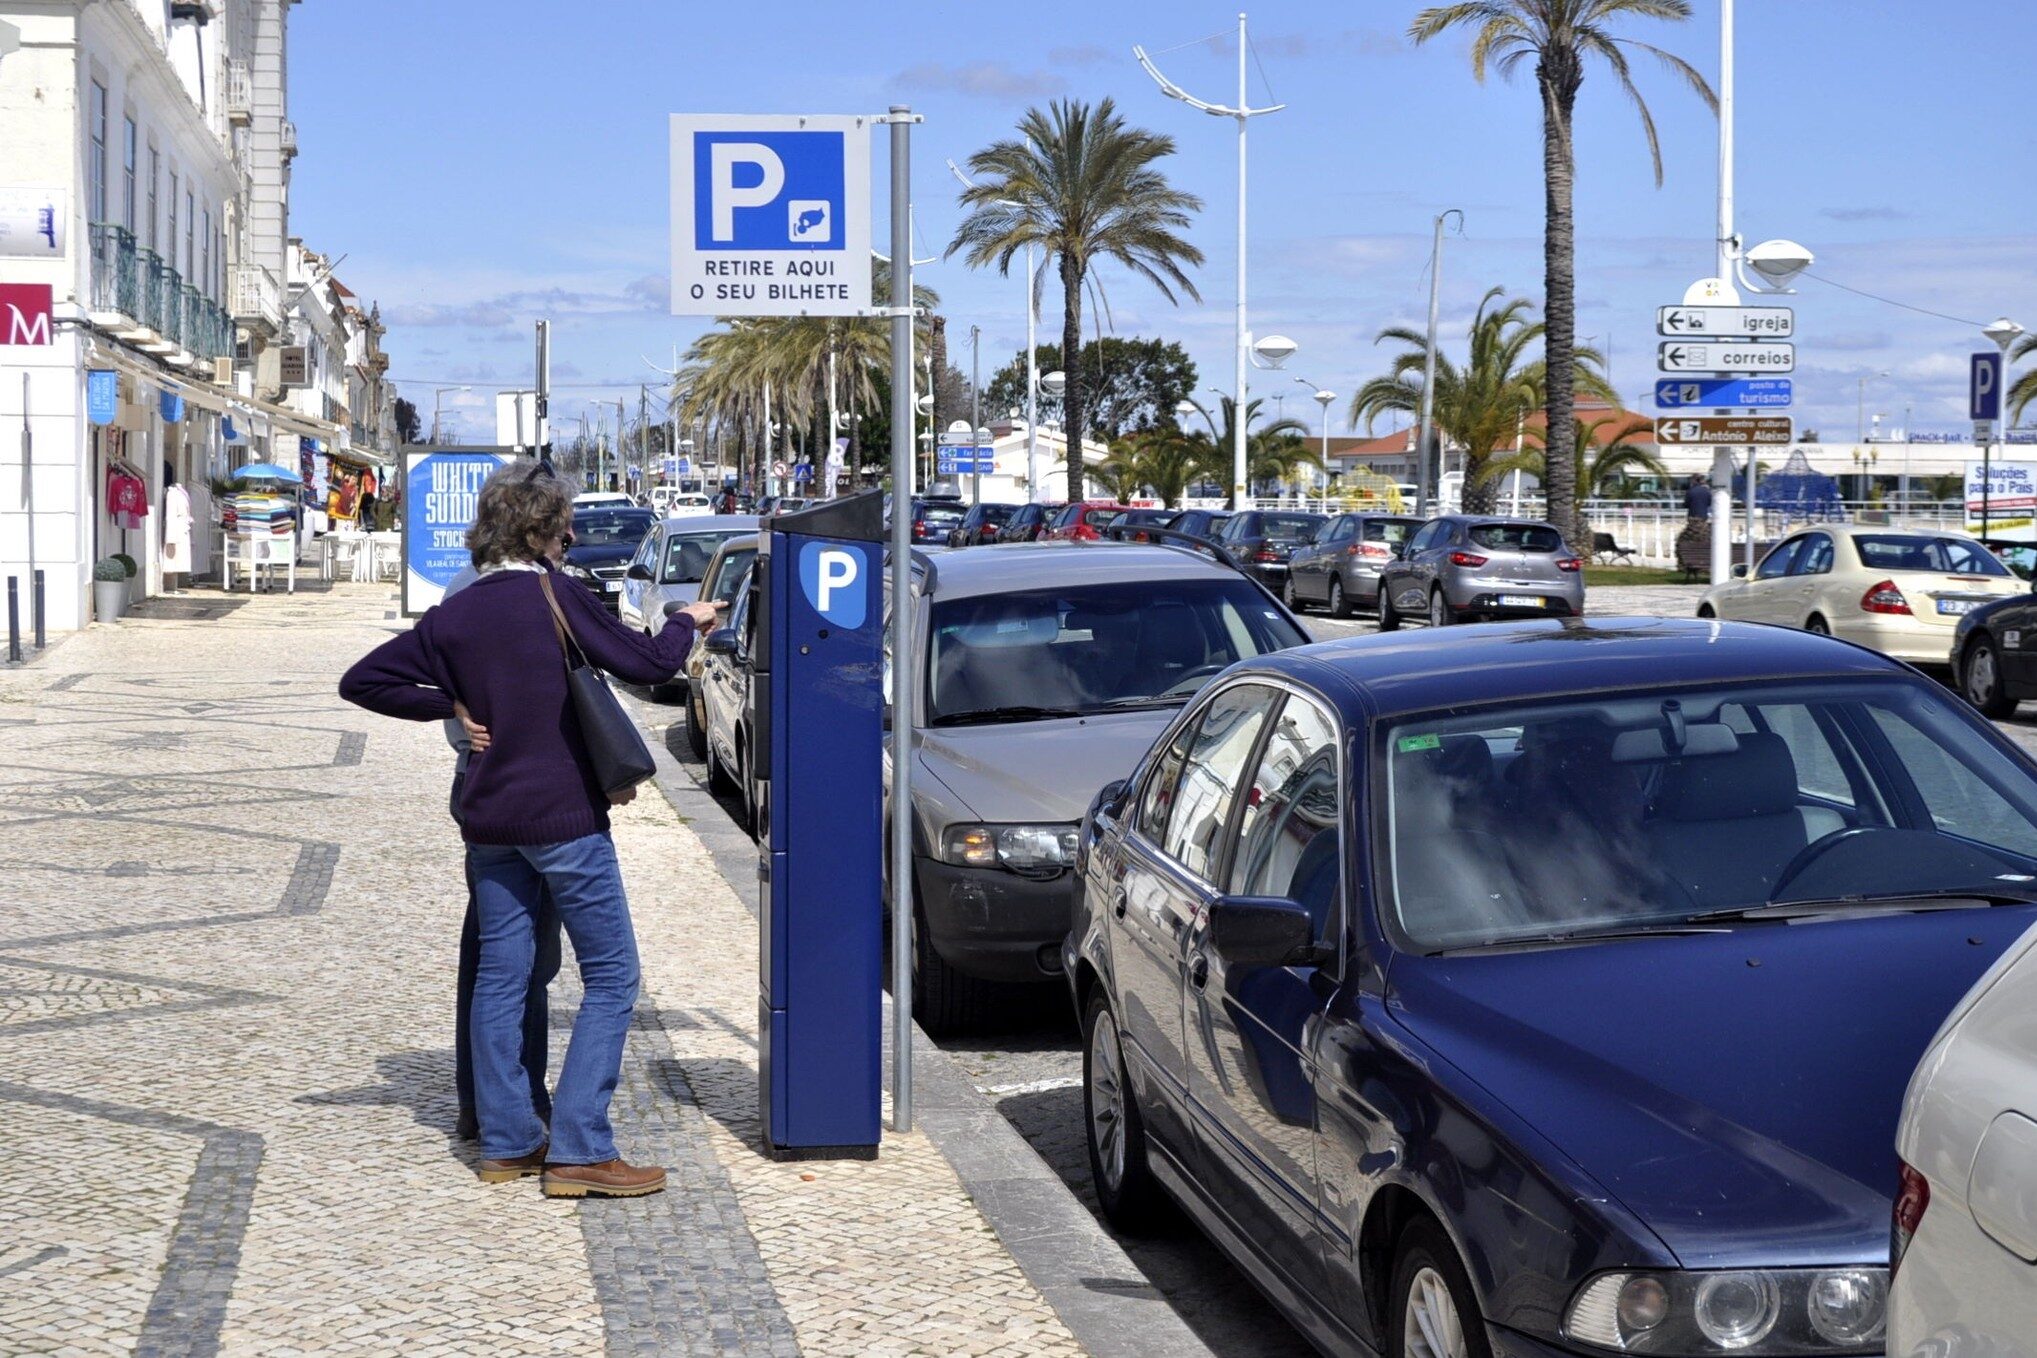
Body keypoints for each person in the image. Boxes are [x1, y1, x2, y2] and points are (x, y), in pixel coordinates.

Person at [340, 461, 719, 1198]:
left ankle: (510, 1142)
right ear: (544, 531)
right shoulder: (556, 594)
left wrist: (445, 706)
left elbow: (363, 680)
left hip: (489, 823)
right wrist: (686, 621)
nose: (573, 536)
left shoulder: (451, 615)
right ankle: (580, 1147)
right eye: (565, 525)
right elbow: (647, 664)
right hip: (563, 820)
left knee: (502, 978)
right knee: (612, 976)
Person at [441, 561, 562, 1145]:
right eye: (562, 528)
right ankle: (512, 1103)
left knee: (505, 952)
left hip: (493, 785)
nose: (570, 541)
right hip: (519, 791)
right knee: (517, 956)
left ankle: (493, 1099)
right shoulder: (504, 588)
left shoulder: (473, 587)